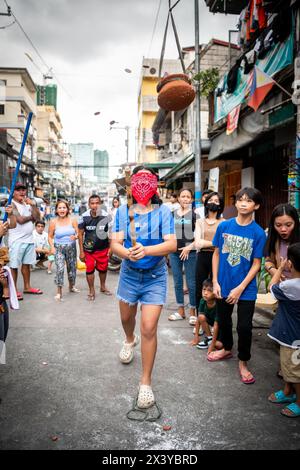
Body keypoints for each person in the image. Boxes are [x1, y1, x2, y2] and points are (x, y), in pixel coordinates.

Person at [111, 166, 176, 409]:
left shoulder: (164, 213)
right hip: (129, 274)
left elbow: (171, 244)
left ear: (154, 185)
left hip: (155, 276)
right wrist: (127, 252)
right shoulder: (121, 213)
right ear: (132, 184)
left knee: (149, 327)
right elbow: (114, 244)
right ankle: (129, 339)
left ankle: (145, 383)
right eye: (139, 179)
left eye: (149, 179)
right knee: (127, 318)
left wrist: (146, 250)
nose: (143, 183)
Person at [208, 187, 266, 386]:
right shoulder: (224, 226)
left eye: (248, 201)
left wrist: (240, 288)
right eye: (240, 199)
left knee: (244, 327)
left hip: (246, 288)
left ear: (256, 206)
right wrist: (215, 281)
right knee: (223, 319)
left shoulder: (258, 233)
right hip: (223, 283)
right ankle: (226, 349)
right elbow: (216, 254)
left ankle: (243, 362)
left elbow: (257, 264)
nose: (243, 203)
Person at [267, 243, 300, 418]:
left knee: (295, 372)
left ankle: (299, 401)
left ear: (290, 264)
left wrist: (279, 269)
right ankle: (288, 391)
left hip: (292, 338)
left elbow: (271, 287)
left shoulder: (290, 286)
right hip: (294, 337)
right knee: (289, 368)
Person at [8, 182, 43, 300]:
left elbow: (38, 218)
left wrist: (33, 205)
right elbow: (20, 220)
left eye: (23, 189)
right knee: (14, 266)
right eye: (18, 190)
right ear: (13, 192)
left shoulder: (27, 204)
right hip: (16, 240)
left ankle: (27, 287)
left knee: (26, 265)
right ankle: (14, 290)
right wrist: (31, 217)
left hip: (29, 240)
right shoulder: (11, 204)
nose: (22, 192)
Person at [168, 188, 197, 324]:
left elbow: (198, 236)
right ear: (178, 198)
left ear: (191, 199)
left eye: (188, 196)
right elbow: (168, 233)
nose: (185, 199)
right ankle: (180, 310)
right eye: (183, 196)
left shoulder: (195, 216)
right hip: (174, 252)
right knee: (177, 282)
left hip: (190, 252)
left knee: (191, 283)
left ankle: (192, 311)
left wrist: (189, 247)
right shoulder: (172, 214)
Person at [194, 191, 224, 314]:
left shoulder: (224, 223)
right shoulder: (200, 222)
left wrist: (205, 242)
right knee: (199, 288)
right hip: (202, 257)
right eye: (211, 200)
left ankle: (214, 318)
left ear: (221, 205)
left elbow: (223, 244)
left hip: (218, 257)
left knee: (215, 287)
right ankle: (199, 316)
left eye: (217, 201)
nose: (213, 203)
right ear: (206, 204)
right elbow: (198, 243)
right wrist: (216, 242)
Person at [78, 194, 112, 301]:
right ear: (89, 204)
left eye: (97, 203)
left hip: (103, 249)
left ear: (100, 204)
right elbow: (80, 234)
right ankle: (91, 290)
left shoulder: (107, 216)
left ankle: (102, 287)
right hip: (89, 250)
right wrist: (81, 252)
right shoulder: (84, 217)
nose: (95, 205)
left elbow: (110, 234)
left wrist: (110, 249)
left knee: (103, 269)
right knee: (89, 270)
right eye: (92, 203)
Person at [48, 200, 79, 301]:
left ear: (67, 209)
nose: (62, 210)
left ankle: (71, 286)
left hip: (71, 248)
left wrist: (75, 237)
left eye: (64, 208)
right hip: (59, 249)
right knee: (60, 269)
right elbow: (49, 236)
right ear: (56, 210)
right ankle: (59, 292)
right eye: (60, 208)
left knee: (72, 268)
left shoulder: (73, 220)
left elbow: (78, 233)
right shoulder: (53, 222)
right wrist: (52, 247)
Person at [265, 204, 300, 286]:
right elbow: (268, 261)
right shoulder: (273, 239)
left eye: (288, 225)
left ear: (296, 223)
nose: (283, 229)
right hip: (281, 287)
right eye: (278, 225)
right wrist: (273, 270)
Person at [190, 279, 223, 351]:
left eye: (209, 290)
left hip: (221, 327)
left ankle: (212, 342)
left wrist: (212, 345)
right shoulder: (203, 301)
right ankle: (209, 338)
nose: (205, 293)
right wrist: (196, 337)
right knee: (201, 317)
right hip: (212, 323)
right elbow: (199, 319)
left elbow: (216, 325)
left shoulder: (218, 304)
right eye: (204, 289)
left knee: (219, 345)